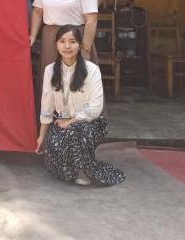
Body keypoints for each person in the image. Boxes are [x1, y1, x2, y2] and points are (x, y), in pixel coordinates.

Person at [36, 24, 125, 187]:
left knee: (78, 130)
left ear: (80, 45)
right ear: (56, 44)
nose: (67, 46)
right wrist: (42, 136)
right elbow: (47, 105)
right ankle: (75, 167)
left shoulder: (92, 70)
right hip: (62, 121)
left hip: (91, 123)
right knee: (58, 167)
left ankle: (85, 170)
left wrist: (72, 121)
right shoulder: (50, 70)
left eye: (72, 42)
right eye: (62, 41)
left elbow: (95, 108)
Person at [30, 0, 99, 97]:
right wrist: (32, 36)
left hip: (76, 37)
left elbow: (91, 20)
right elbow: (37, 12)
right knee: (51, 82)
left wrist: (85, 48)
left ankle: (78, 114)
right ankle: (49, 113)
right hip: (50, 38)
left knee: (77, 83)